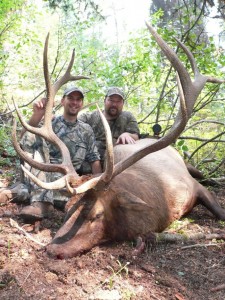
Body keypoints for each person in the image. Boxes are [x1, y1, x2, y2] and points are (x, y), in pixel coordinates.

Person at [1, 86, 102, 221]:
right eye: (70, 98)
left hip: (67, 180)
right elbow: (24, 139)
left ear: (81, 104)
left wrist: (100, 187)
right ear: (62, 101)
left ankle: (22, 194)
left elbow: (93, 158)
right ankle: (42, 203)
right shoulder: (51, 122)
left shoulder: (86, 130)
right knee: (30, 137)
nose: (74, 102)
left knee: (26, 191)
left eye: (78, 99)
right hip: (43, 172)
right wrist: (38, 115)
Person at [78, 87, 140, 167]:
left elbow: (136, 136)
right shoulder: (89, 117)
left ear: (123, 103)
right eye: (111, 100)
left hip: (117, 163)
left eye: (118, 101)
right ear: (105, 101)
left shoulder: (128, 117)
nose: (114, 104)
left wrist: (127, 135)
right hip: (90, 163)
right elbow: (72, 123)